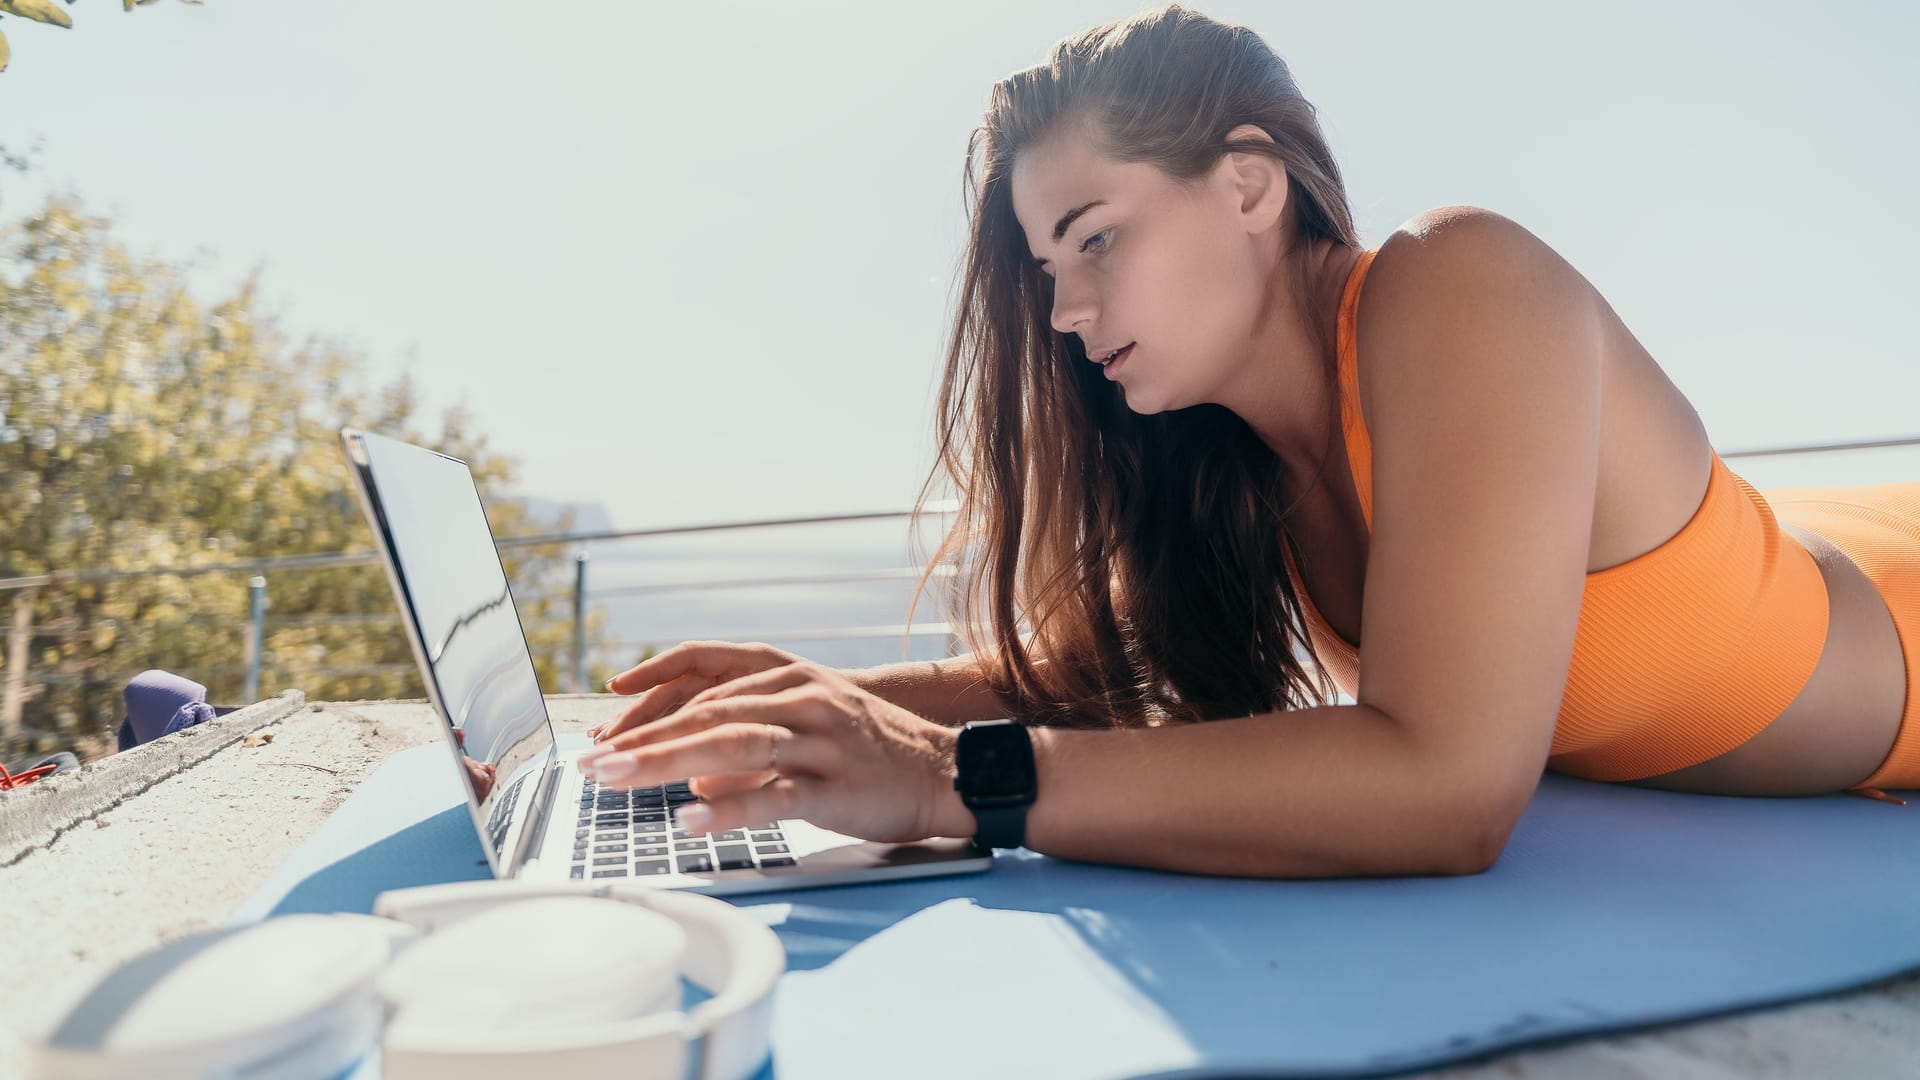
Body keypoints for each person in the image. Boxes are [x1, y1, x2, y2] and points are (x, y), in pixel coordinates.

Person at [579, 4, 1920, 879]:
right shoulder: (1239, 461)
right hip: (1774, 555)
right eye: (1047, 266)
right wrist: (815, 698)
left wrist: (947, 780)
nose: (1065, 311)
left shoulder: (1462, 284)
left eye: (1096, 237)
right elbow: (1088, 667)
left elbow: (1448, 787)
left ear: (1248, 182)